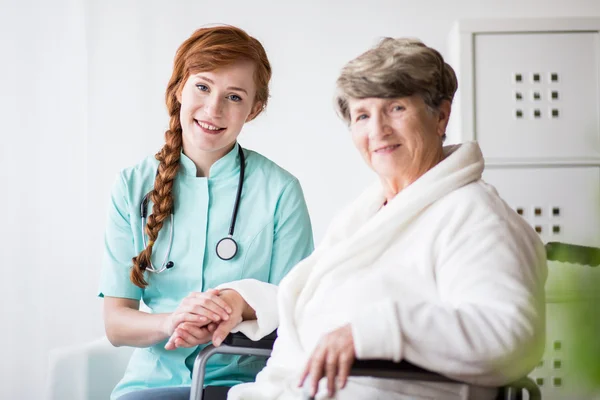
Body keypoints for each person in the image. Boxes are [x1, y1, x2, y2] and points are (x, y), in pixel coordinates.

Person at [217, 38, 547, 399]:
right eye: (362, 116)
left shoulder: (474, 217)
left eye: (395, 109)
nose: (377, 130)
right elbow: (328, 305)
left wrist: (373, 332)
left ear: (441, 116)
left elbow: (510, 336)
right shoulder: (371, 212)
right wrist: (244, 301)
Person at [98, 25, 314, 400]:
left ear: (255, 108)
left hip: (246, 386)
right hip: (151, 386)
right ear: (179, 87)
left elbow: (295, 309)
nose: (213, 109)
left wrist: (236, 308)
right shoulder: (132, 186)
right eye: (202, 87)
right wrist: (172, 322)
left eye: (234, 96)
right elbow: (116, 323)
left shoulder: (280, 192)